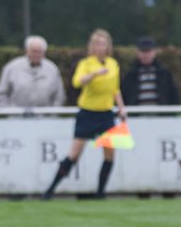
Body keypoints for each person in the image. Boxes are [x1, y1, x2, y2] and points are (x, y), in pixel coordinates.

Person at [42, 29, 128, 200]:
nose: (99, 47)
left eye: (102, 43)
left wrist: (121, 107)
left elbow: (115, 89)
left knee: (110, 153)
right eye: (96, 43)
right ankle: (50, 190)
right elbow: (77, 82)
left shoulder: (112, 64)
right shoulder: (87, 64)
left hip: (106, 114)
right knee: (74, 153)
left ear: (107, 46)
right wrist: (94, 75)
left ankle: (100, 193)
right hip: (87, 113)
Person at [0, 35, 65, 109]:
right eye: (34, 51)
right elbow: (2, 93)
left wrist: (52, 114)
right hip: (16, 118)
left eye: (39, 52)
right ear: (27, 51)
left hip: (45, 118)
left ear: (44, 52)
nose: (36, 55)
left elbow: (59, 96)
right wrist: (8, 112)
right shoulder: (11, 68)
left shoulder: (52, 69)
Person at [120, 36, 180, 106]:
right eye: (143, 51)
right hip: (137, 115)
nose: (146, 55)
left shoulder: (164, 74)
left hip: (160, 115)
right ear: (138, 53)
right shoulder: (130, 75)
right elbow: (124, 96)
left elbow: (174, 96)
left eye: (148, 51)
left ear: (154, 52)